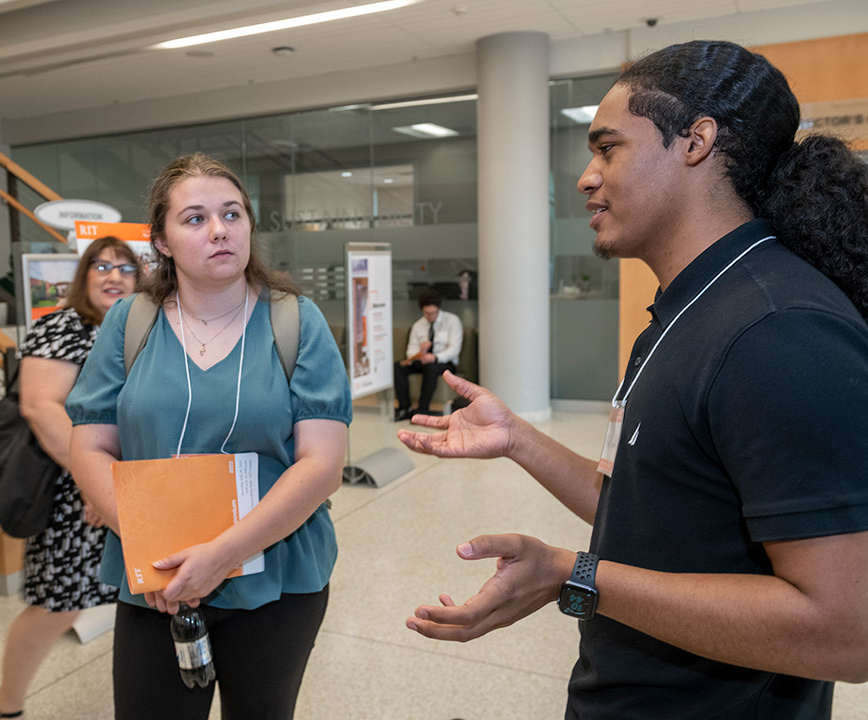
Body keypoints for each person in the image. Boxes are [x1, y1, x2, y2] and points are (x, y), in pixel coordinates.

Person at [398, 40, 868, 719]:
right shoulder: (687, 309)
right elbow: (654, 514)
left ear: (696, 141)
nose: (586, 178)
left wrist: (577, 575)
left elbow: (846, 631)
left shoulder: (777, 329)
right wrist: (519, 440)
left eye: (608, 148)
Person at [65, 153, 351, 720]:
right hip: (156, 581)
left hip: (277, 576)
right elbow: (89, 445)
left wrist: (222, 554)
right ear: (163, 242)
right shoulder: (129, 322)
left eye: (232, 214)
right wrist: (155, 549)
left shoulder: (297, 322)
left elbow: (321, 465)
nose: (219, 229)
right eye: (195, 218)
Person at [0, 236, 142, 719]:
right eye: (100, 266)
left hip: (131, 487)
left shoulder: (141, 327)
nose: (113, 276)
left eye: (124, 267)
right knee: (58, 604)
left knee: (141, 599)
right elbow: (40, 407)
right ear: (82, 277)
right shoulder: (62, 326)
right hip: (72, 494)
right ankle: (4, 704)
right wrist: (92, 482)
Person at [393, 287, 463, 421]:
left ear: (438, 308)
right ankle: (405, 408)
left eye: (433, 313)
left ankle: (422, 409)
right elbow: (410, 351)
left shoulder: (452, 321)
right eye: (427, 313)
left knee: (431, 367)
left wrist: (435, 357)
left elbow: (454, 349)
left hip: (444, 362)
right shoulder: (418, 325)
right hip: (423, 360)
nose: (430, 316)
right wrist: (421, 353)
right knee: (398, 367)